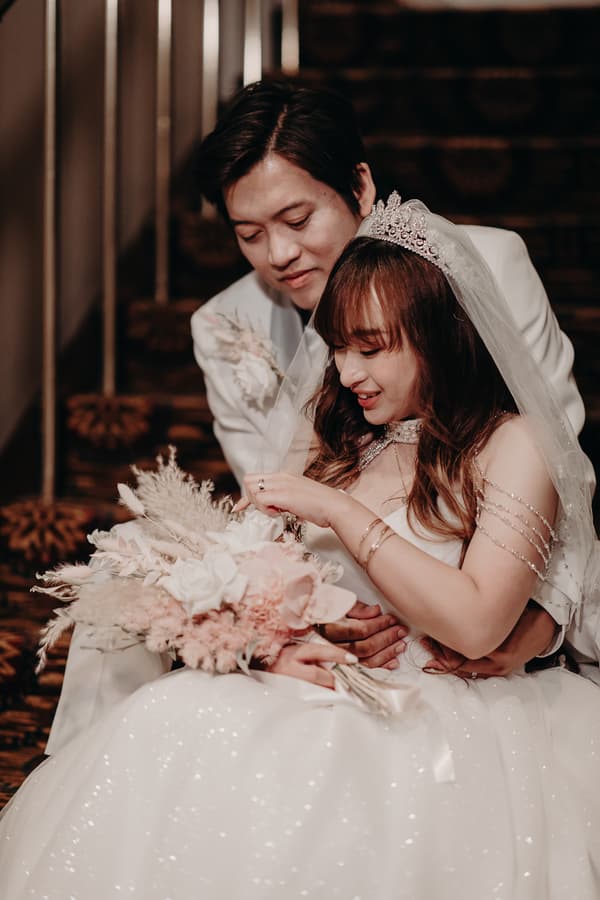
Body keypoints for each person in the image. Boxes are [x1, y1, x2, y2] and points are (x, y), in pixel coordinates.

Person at [1, 197, 598, 899]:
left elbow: (476, 624)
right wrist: (292, 632)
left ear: (441, 335)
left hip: (444, 709)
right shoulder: (341, 438)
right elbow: (269, 572)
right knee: (174, 717)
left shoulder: (511, 443)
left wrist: (340, 512)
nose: (346, 373)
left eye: (371, 348)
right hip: (317, 683)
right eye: (339, 347)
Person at [191, 77, 597, 681]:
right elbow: (273, 505)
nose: (278, 254)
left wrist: (538, 621)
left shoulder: (483, 268)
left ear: (359, 186)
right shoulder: (227, 326)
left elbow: (562, 463)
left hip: (491, 586)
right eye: (249, 235)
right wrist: (301, 621)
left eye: (297, 219)